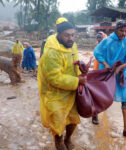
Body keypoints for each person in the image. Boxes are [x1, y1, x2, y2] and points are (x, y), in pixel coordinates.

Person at [38, 21, 86, 150]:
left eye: (73, 35)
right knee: (58, 122)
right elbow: (54, 78)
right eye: (67, 35)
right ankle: (58, 141)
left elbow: (75, 63)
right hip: (55, 93)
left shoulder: (73, 46)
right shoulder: (52, 53)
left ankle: (68, 138)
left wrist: (82, 69)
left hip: (71, 91)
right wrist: (77, 81)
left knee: (73, 119)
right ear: (59, 34)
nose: (71, 38)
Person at [94, 20, 126, 137]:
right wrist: (106, 64)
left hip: (122, 73)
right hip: (106, 72)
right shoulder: (107, 41)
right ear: (116, 30)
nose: (124, 33)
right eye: (121, 31)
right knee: (101, 95)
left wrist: (121, 67)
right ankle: (95, 113)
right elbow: (97, 52)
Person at [92, 31, 107, 125]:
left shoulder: (107, 46)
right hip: (96, 72)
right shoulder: (97, 46)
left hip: (104, 72)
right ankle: (95, 115)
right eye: (97, 37)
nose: (98, 38)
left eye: (100, 37)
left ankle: (100, 111)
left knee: (103, 93)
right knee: (96, 94)